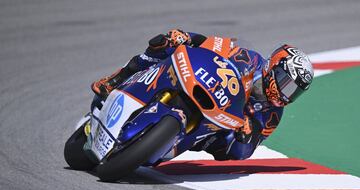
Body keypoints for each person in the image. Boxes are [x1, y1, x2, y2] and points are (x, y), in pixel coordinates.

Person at [91, 29, 314, 161]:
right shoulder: (251, 59)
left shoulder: (273, 114)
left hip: (212, 131)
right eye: (286, 83)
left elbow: (243, 153)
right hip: (201, 85)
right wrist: (186, 37)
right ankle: (116, 80)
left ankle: (162, 142)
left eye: (294, 91)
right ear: (273, 67)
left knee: (225, 142)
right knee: (163, 43)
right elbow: (214, 45)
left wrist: (247, 135)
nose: (287, 94)